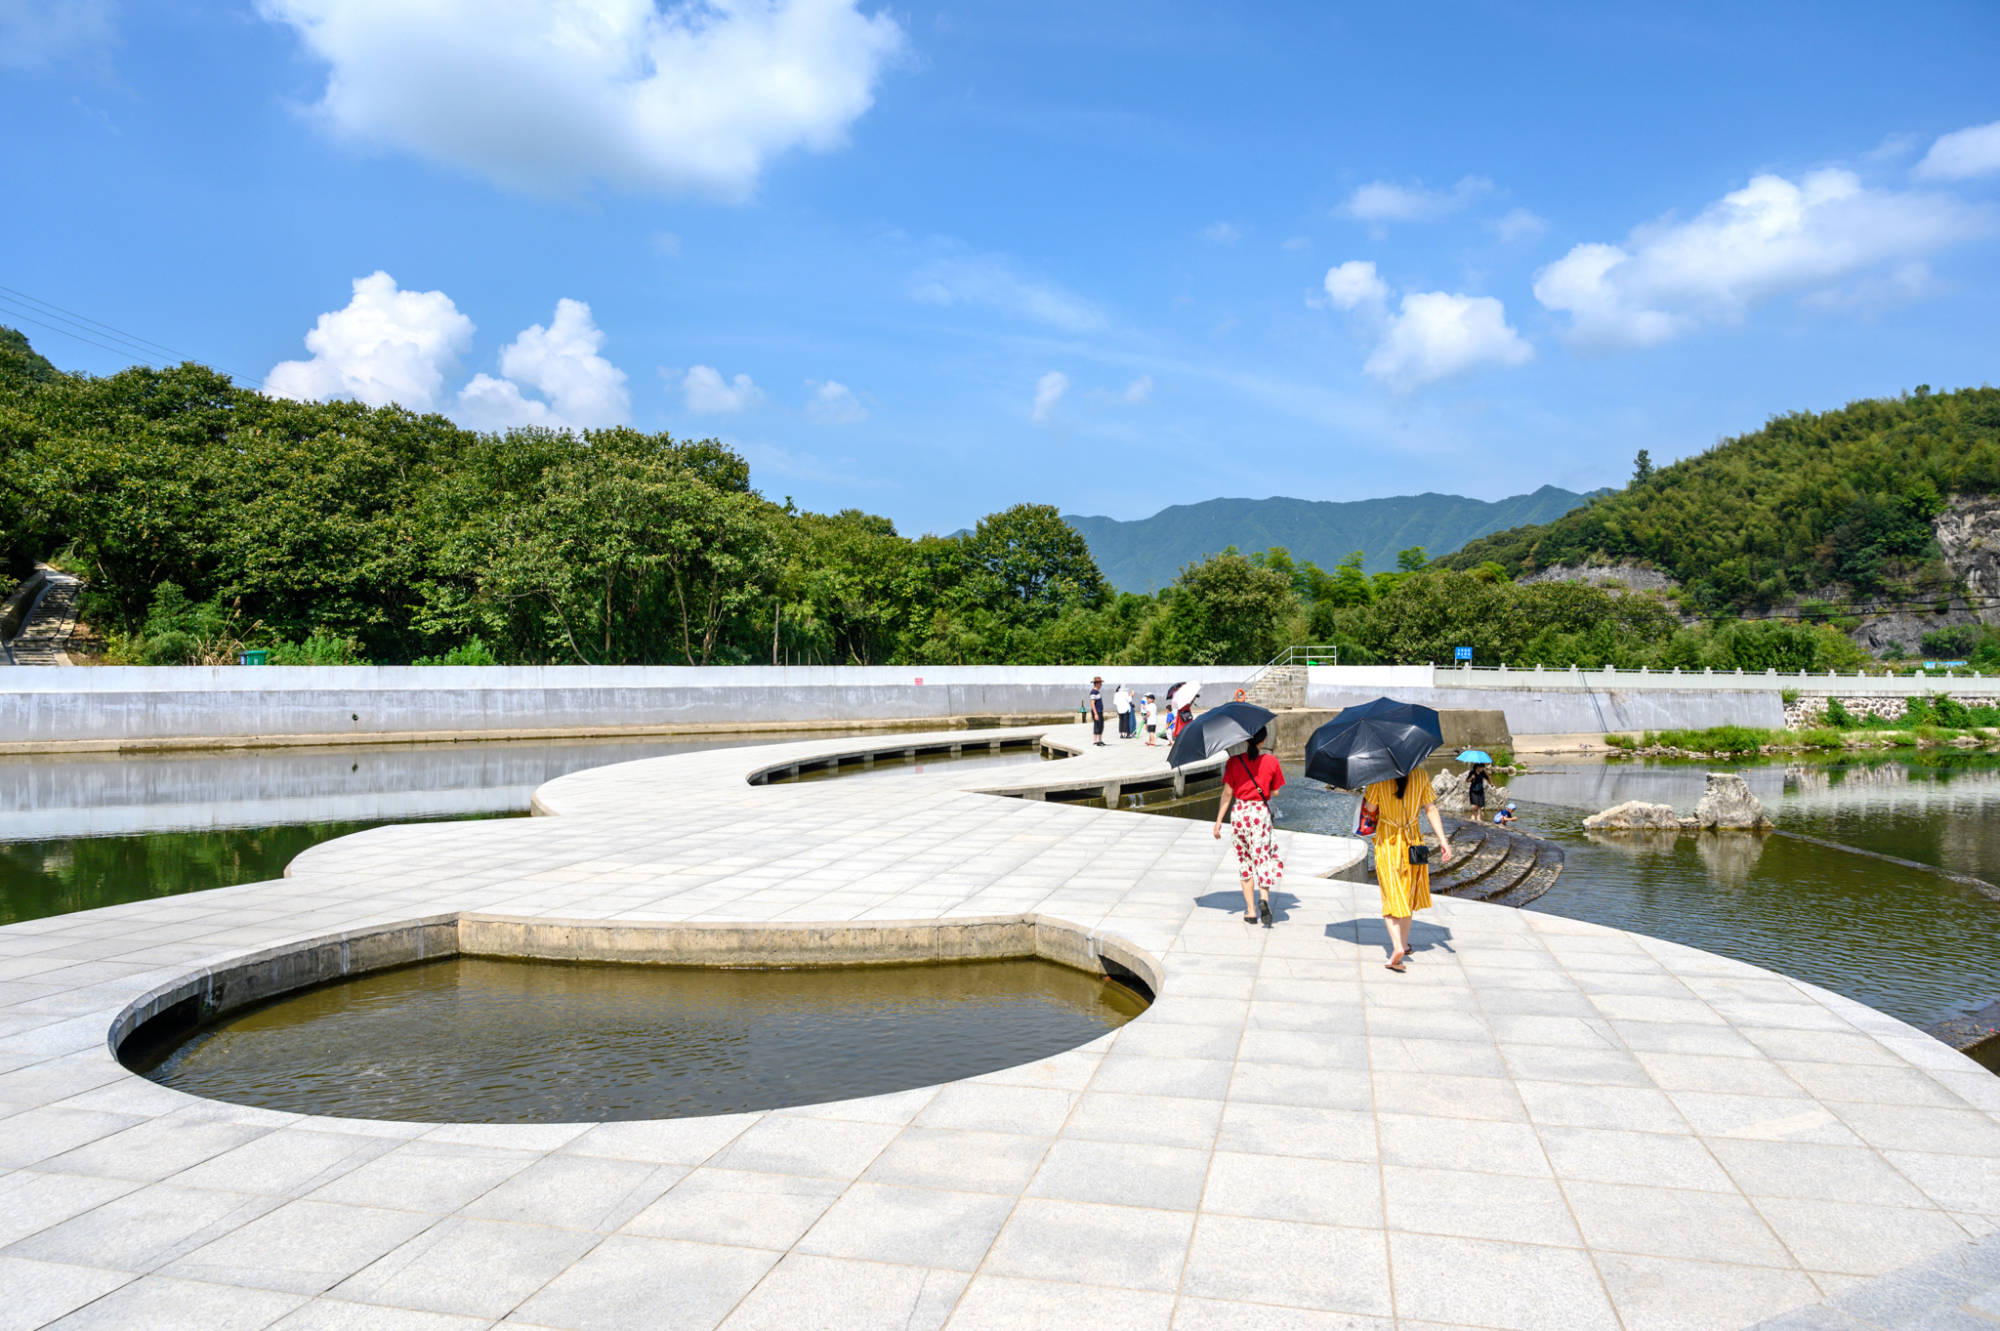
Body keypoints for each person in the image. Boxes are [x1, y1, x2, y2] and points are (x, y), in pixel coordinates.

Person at [1360, 765, 1453, 971]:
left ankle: (1397, 946)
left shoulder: (1378, 777)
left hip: (1388, 842)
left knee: (1391, 893)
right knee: (1407, 893)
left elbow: (1371, 809)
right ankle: (1405, 942)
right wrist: (1443, 841)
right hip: (1413, 842)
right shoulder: (1420, 775)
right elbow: (1431, 809)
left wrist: (1367, 794)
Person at [1211, 727, 1286, 925]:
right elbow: (1275, 792)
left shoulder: (1234, 762)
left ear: (1246, 740)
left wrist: (1218, 822)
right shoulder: (1271, 761)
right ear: (1264, 740)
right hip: (1259, 814)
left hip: (1240, 814)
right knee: (1263, 857)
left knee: (1245, 860)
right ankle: (1264, 899)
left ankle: (1251, 911)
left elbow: (1227, 794)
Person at [1087, 677, 1106, 746]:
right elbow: (1092, 703)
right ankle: (1096, 741)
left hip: (1099, 711)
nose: (1101, 685)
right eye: (1100, 683)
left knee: (1100, 725)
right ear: (1096, 684)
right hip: (1097, 712)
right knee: (1097, 725)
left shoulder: (1097, 691)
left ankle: (1099, 740)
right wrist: (1095, 714)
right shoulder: (1093, 692)